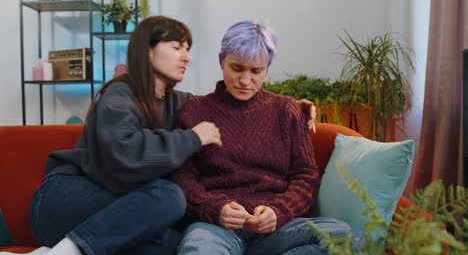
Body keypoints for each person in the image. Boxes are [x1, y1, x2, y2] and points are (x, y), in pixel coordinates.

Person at [1, 17, 316, 255]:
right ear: (148, 52)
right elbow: (123, 153)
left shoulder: (181, 102)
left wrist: (292, 107)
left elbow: (227, 107)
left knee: (176, 243)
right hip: (67, 198)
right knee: (168, 196)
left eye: (188, 49)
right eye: (177, 47)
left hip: (121, 210)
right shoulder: (120, 93)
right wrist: (193, 138)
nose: (187, 57)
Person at [170, 21, 351, 255]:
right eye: (237, 68)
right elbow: (181, 178)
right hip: (214, 227)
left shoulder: (286, 110)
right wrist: (215, 208)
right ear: (221, 61)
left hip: (275, 229)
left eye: (256, 71)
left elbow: (306, 176)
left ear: (267, 68)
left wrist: (279, 211)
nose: (245, 81)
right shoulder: (193, 111)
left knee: (346, 234)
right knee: (198, 250)